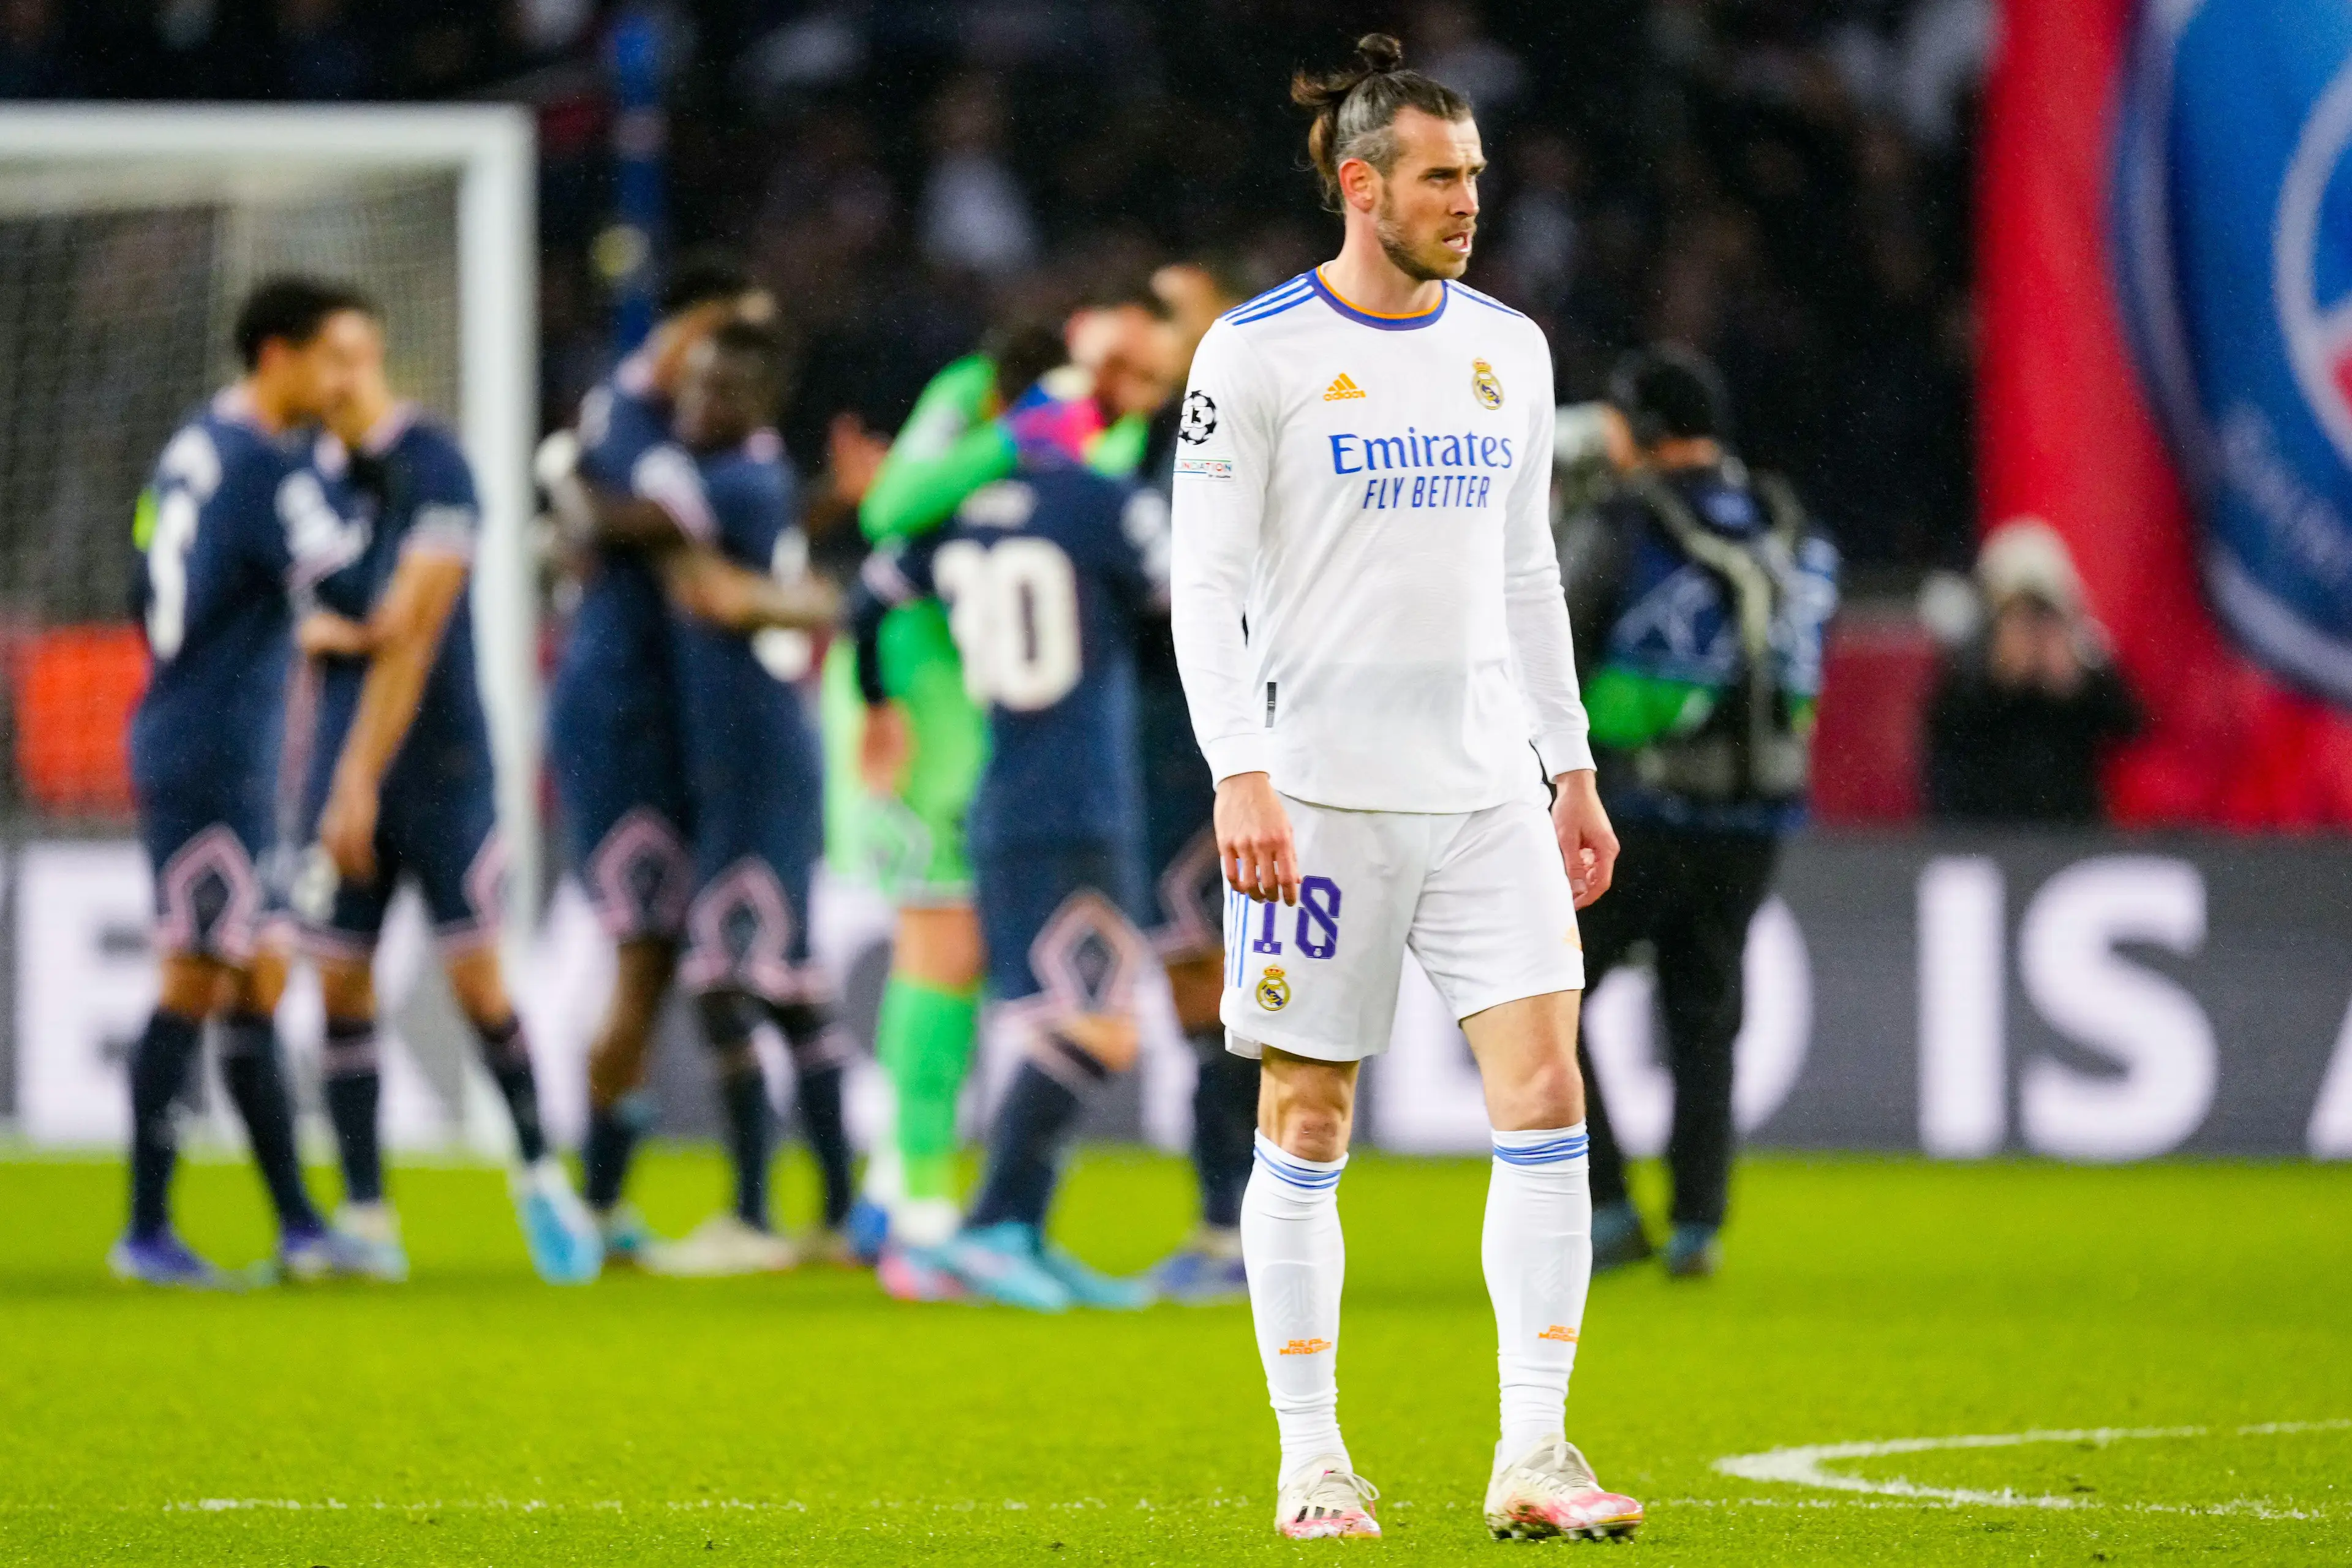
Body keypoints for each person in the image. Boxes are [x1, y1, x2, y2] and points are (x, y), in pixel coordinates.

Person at [1169, 35, 1643, 1542]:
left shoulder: (1508, 345)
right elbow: (1203, 585)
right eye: (1442, 177)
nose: (1469, 200)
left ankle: (1536, 1449)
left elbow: (1525, 574)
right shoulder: (1252, 355)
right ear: (1359, 185)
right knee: (1307, 1114)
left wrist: (1567, 763)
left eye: (1477, 176)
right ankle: (1312, 1456)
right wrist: (1239, 769)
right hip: (1316, 799)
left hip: (1486, 788)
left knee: (1547, 1086)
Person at [835, 296, 1171, 1264]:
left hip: (1015, 723)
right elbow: (889, 511)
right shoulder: (977, 399)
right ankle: (920, 1198)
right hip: (927, 711)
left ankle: (958, 1207)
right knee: (941, 945)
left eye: (1147, 381)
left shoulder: (1103, 445)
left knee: (1003, 975)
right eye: (1116, 368)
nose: (1127, 395)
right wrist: (1009, 445)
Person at [544, 257, 854, 1265]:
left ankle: (770, 1210)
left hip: (731, 756)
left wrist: (570, 491)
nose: (698, 393)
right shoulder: (650, 425)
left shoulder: (727, 468)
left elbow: (695, 565)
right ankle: (610, 1202)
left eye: (722, 383)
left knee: (733, 977)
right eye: (696, 373)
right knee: (692, 967)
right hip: (660, 745)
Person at [289, 315, 602, 1285]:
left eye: (351, 356)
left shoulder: (436, 466)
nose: (336, 378)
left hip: (445, 773)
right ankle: (368, 1212)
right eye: (321, 360)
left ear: (379, 354)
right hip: (341, 773)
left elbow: (407, 627)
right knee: (339, 982)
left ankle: (542, 1175)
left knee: (478, 984)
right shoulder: (305, 478)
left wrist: (345, 639)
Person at [113, 276, 377, 1287]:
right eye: (335, 360)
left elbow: (149, 577)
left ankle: (301, 1226)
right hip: (212, 750)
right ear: (279, 356)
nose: (349, 381)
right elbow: (354, 582)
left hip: (209, 735)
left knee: (254, 977)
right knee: (197, 970)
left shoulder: (197, 444)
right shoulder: (273, 470)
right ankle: (145, 1230)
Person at [1557, 346, 1841, 1280]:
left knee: (1544, 997)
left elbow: (1559, 638)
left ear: (1643, 428)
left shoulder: (1626, 521)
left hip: (1639, 804)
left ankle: (1603, 1207)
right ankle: (1698, 1225)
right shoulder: (1784, 521)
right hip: (1757, 815)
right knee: (1705, 1008)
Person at [1924, 519, 2141, 823]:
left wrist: (2076, 683)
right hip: (1984, 828)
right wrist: (2000, 682)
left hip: (2070, 829)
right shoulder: (1966, 668)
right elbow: (1946, 737)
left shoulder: (2085, 663)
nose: (2032, 629)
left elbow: (2132, 726)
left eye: (2042, 614)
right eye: (2017, 615)